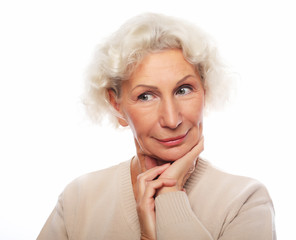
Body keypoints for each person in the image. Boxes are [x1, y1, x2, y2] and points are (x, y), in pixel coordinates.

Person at [37, 13, 276, 240]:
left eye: (183, 90)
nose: (172, 120)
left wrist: (169, 195)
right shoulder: (80, 199)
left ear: (205, 90)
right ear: (116, 106)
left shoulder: (245, 201)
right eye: (146, 96)